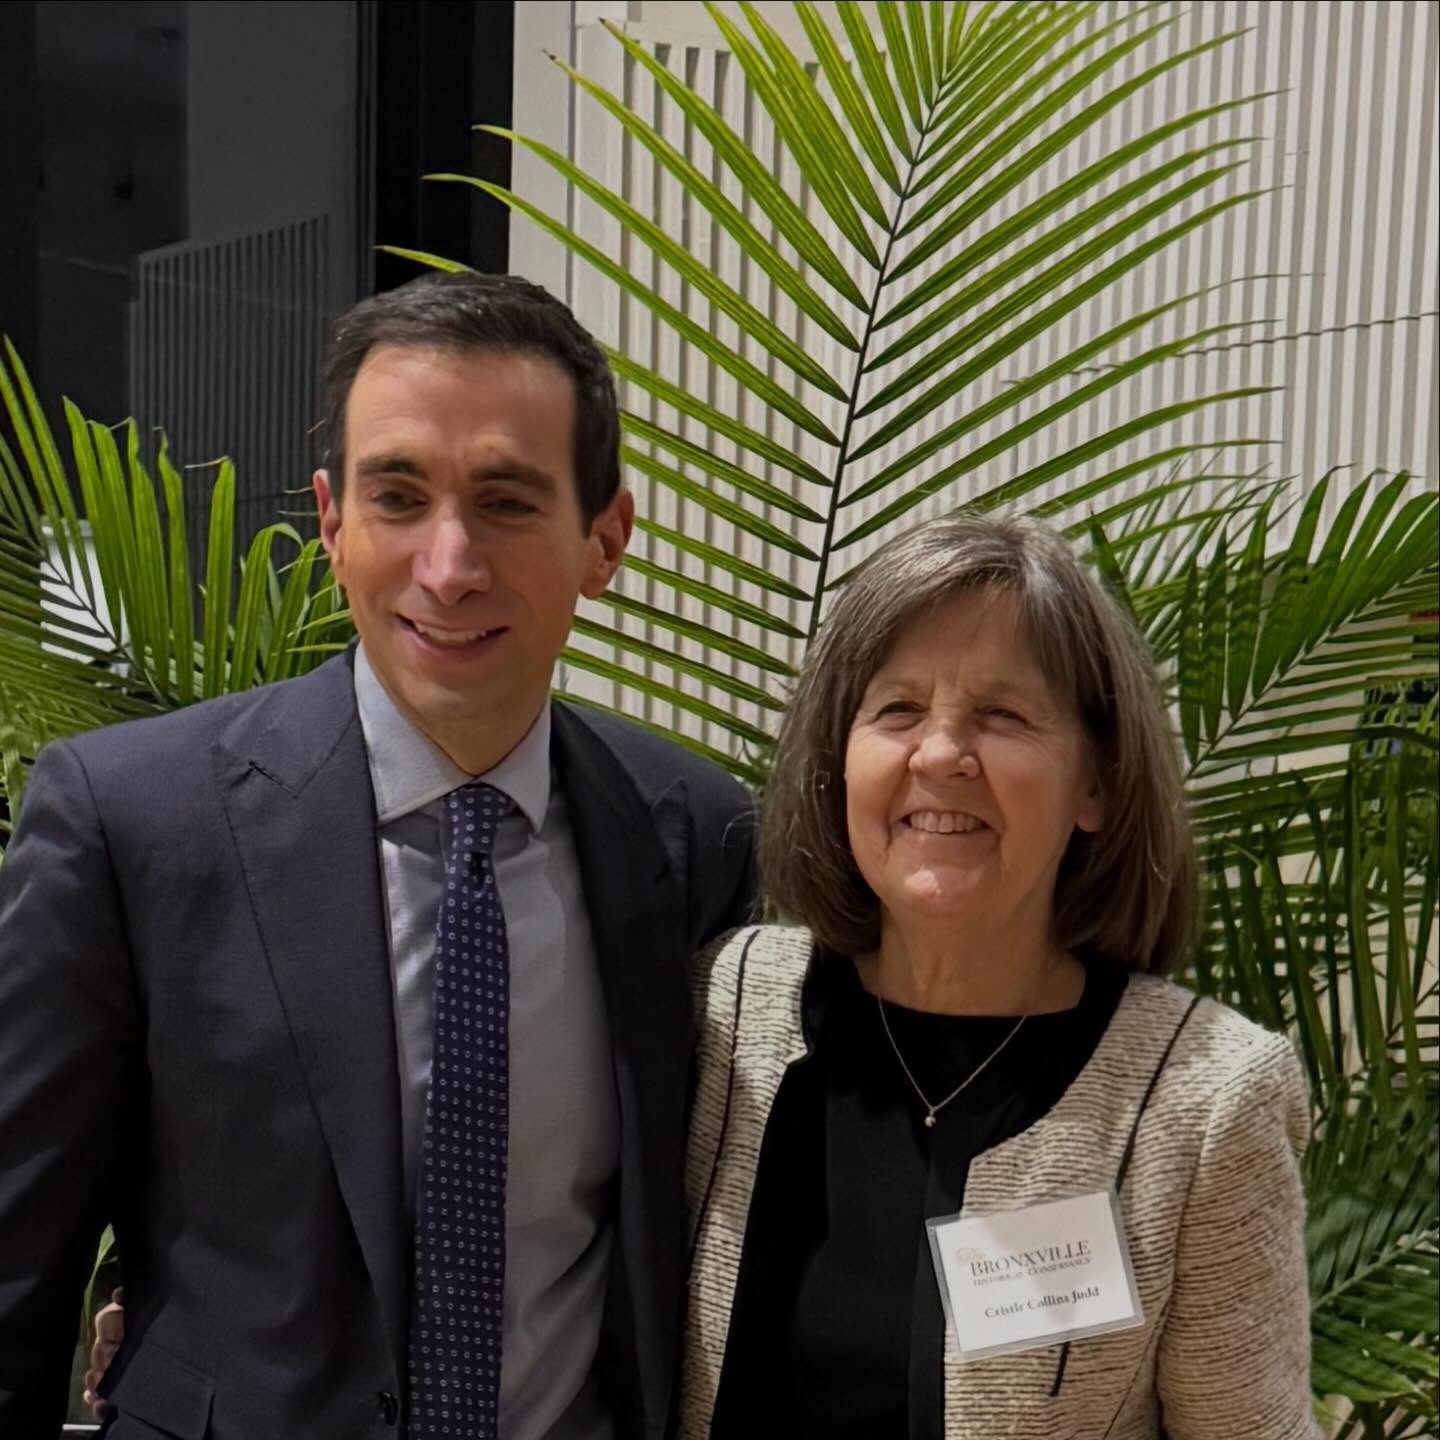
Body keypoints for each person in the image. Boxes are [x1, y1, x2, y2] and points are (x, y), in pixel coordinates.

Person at [0, 273, 756, 1440]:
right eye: (398, 497)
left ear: (605, 537)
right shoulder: (132, 826)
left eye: (506, 502)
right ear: (331, 525)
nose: (448, 567)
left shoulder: (698, 837)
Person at [678, 514, 1318, 1438]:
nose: (940, 754)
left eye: (1002, 716)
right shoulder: (726, 1008)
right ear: (839, 760)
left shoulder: (1204, 1101)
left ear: (1094, 784)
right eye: (897, 710)